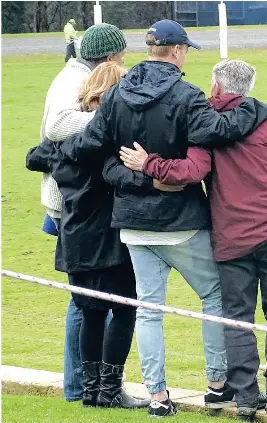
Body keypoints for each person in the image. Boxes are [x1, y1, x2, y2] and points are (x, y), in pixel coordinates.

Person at [56, 19, 267, 417]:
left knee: (149, 309)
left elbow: (91, 143)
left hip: (133, 225)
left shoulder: (118, 93)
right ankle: (217, 385)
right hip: (180, 223)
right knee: (213, 295)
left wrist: (50, 154)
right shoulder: (187, 96)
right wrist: (257, 107)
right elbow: (220, 129)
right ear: (176, 51)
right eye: (186, 50)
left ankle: (157, 397)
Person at [120, 59, 267, 418]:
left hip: (231, 238)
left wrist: (148, 164)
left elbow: (190, 172)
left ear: (217, 87)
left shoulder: (206, 130)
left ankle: (246, 396)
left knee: (236, 316)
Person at [28, 61, 152, 409]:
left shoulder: (63, 143)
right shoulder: (109, 140)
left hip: (74, 235)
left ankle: (91, 390)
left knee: (92, 312)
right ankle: (110, 389)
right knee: (125, 309)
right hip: (109, 236)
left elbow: (34, 156)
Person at [37, 22, 127, 404]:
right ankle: (82, 387)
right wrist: (110, 119)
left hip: (73, 203)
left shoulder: (77, 75)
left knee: (90, 300)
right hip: (75, 206)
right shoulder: (71, 80)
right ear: (110, 57)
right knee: (89, 302)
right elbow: (56, 126)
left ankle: (89, 387)